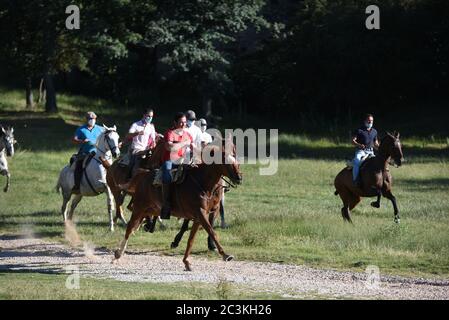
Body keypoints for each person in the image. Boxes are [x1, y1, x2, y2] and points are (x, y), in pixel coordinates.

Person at [160, 112, 193, 219]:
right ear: (175, 123)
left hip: (182, 160)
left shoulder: (187, 135)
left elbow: (193, 147)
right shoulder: (170, 133)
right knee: (167, 176)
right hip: (169, 160)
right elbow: (170, 147)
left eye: (185, 122)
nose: (183, 125)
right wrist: (185, 143)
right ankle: (166, 204)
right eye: (181, 122)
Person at [72, 111, 104, 193]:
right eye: (90, 119)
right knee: (78, 165)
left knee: (109, 165)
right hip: (85, 153)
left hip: (98, 153)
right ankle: (77, 186)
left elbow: (108, 136)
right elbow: (74, 140)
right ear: (86, 119)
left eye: (94, 119)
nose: (92, 120)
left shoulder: (100, 129)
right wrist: (82, 141)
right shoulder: (81, 129)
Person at [126, 108, 157, 176]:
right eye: (148, 116)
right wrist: (137, 133)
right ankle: (128, 178)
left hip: (146, 149)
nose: (150, 118)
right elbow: (128, 135)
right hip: (136, 149)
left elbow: (153, 140)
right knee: (135, 163)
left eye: (151, 116)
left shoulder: (151, 127)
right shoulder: (136, 125)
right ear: (144, 115)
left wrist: (153, 144)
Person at [351, 113, 379, 187]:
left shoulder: (374, 131)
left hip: (371, 152)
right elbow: (353, 141)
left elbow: (376, 144)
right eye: (369, 120)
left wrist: (381, 149)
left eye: (372, 121)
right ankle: (355, 180)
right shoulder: (359, 130)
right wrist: (359, 145)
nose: (370, 122)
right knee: (357, 161)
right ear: (365, 121)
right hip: (361, 152)